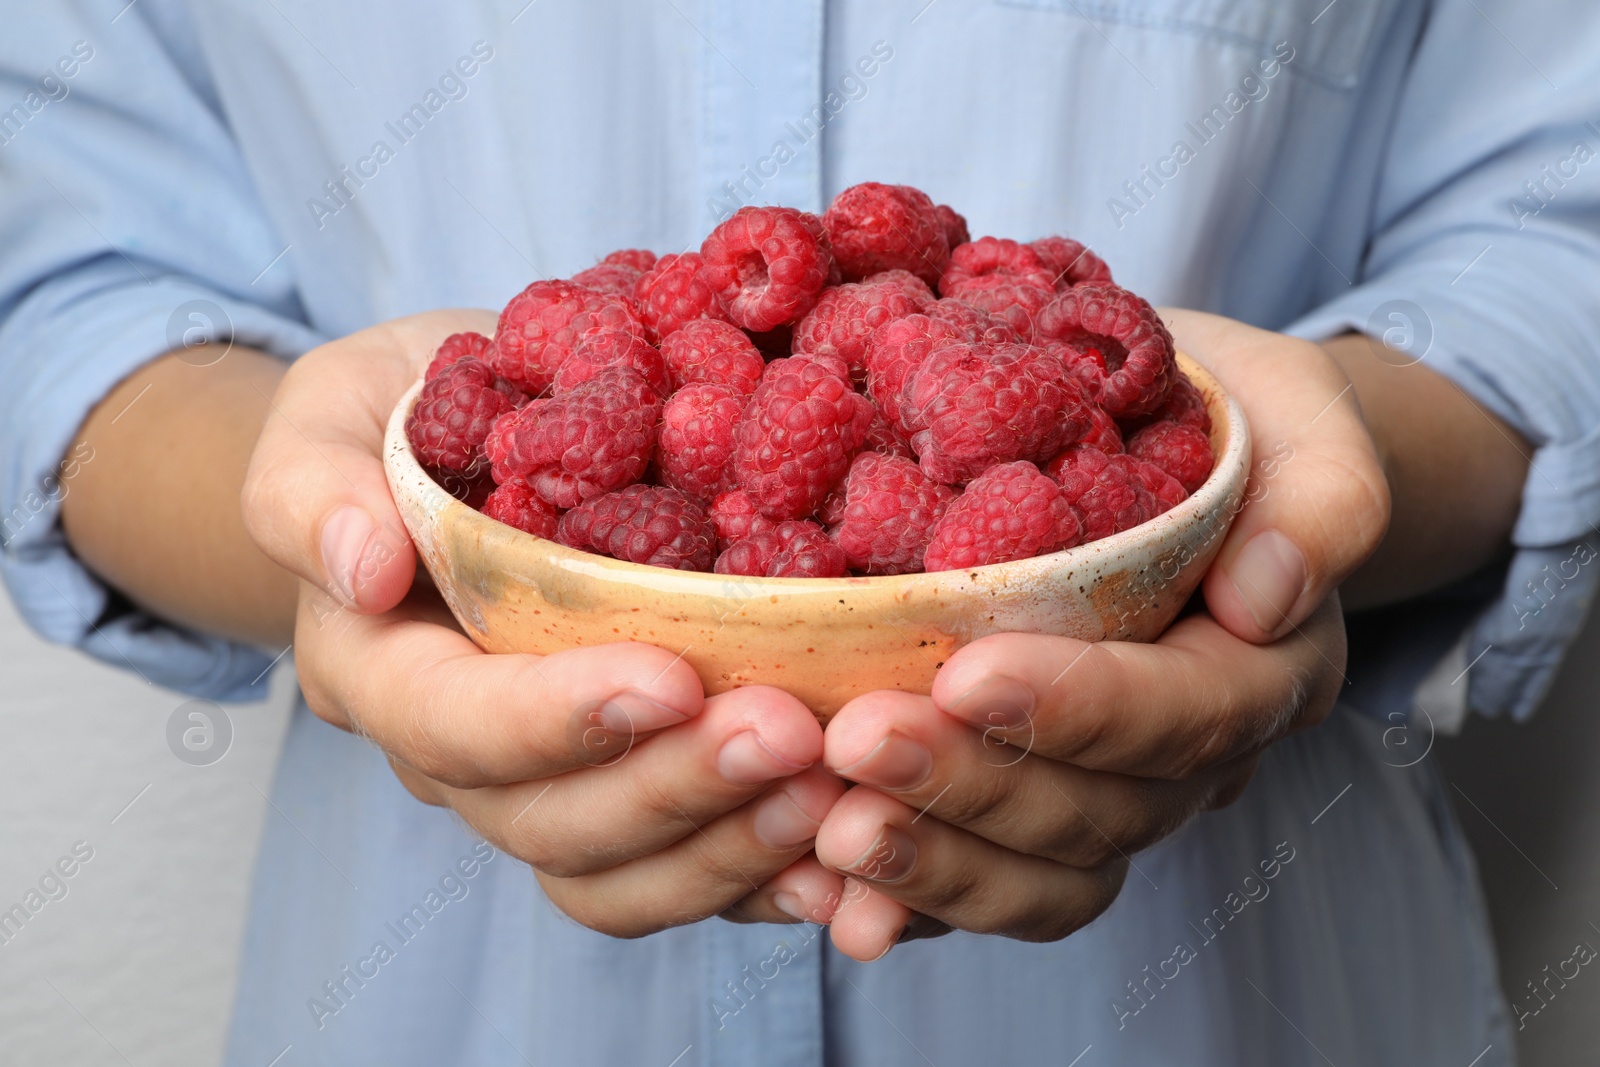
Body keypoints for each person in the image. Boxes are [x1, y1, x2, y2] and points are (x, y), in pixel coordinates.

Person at [3, 1, 1596, 1063]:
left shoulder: (958, 387)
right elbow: (60, 282)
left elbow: (1558, 220)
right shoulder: (682, 400)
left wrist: (1319, 466)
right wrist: (346, 527)